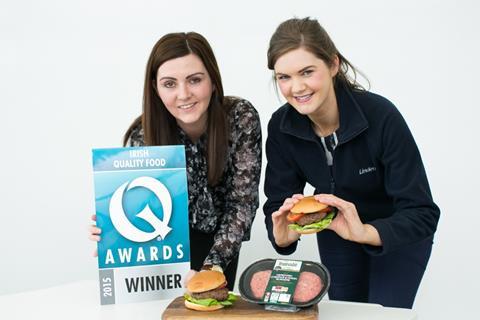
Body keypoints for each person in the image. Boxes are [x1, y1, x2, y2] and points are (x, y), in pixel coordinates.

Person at [263, 17, 440, 308]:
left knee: (384, 316)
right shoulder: (281, 126)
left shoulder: (382, 116)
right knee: (346, 314)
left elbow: (422, 213)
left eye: (307, 72)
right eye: (284, 77)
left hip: (398, 236)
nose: (296, 87)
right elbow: (277, 203)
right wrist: (282, 235)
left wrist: (366, 232)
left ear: (333, 65)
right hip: (338, 235)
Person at [89, 32, 262, 290]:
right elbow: (139, 209)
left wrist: (211, 266)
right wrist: (113, 231)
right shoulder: (143, 135)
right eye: (169, 84)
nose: (183, 94)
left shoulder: (240, 118)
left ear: (213, 81)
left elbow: (242, 203)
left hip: (222, 243)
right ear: (155, 88)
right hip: (164, 245)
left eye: (194, 80)